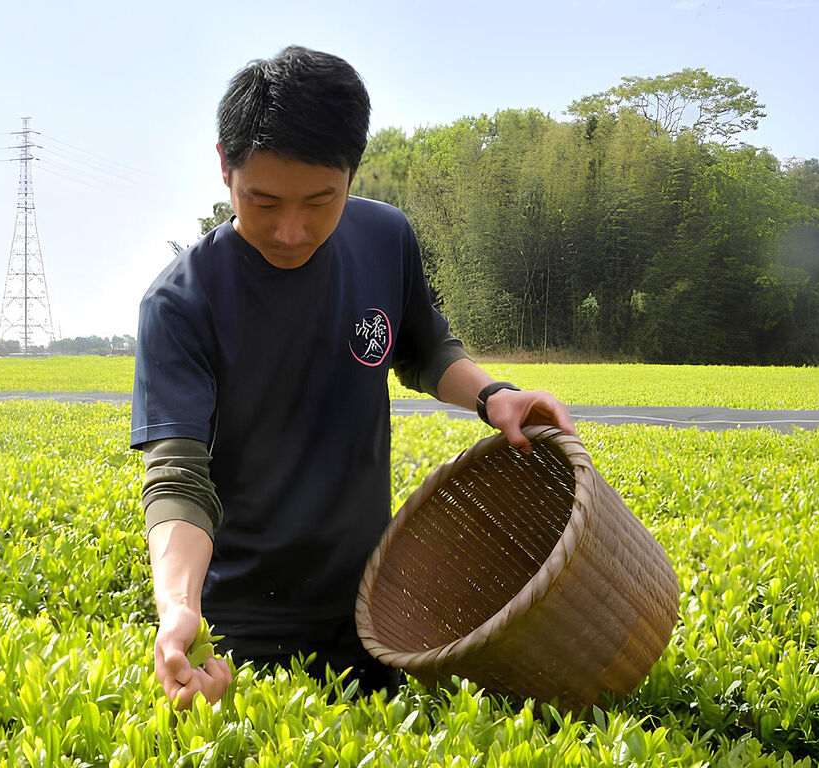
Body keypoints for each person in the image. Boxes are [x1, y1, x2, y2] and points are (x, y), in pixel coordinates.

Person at [130, 45, 576, 710]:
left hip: (374, 605)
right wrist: (178, 610)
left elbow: (424, 348)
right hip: (245, 620)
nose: (290, 230)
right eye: (263, 201)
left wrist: (494, 396)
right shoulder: (182, 302)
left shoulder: (384, 236)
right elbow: (178, 480)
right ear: (224, 166)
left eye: (319, 201)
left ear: (352, 171)